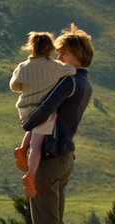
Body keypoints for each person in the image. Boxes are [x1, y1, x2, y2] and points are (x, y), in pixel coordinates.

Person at [21, 23, 94, 224]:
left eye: (62, 52)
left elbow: (46, 107)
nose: (59, 57)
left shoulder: (69, 83)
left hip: (51, 158)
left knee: (44, 216)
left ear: (75, 53)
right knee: (55, 215)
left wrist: (27, 124)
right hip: (66, 155)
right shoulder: (84, 83)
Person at [10, 31, 75, 198]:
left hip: (25, 109)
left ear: (31, 47)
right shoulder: (53, 66)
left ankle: (23, 149)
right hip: (43, 110)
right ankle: (30, 175)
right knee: (37, 145)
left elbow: (14, 86)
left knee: (31, 128)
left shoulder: (22, 67)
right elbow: (72, 70)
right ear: (50, 49)